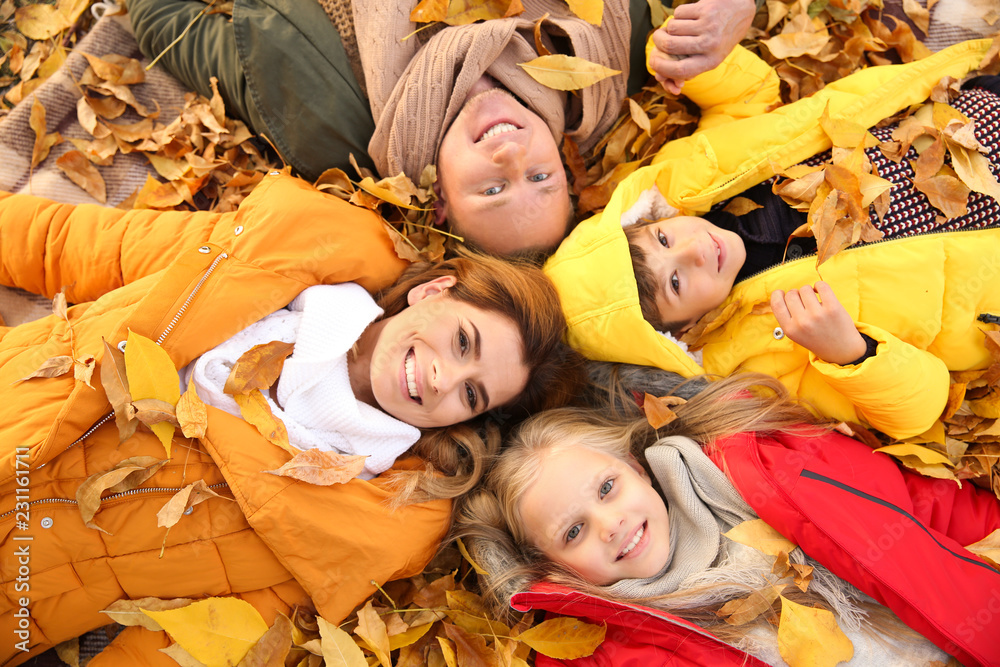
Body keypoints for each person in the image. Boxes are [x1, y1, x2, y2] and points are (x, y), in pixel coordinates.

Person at [0, 172, 583, 664]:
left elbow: (189, 642)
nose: (442, 379)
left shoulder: (356, 512)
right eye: (462, 342)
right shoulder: (264, 260)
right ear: (434, 292)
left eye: (473, 394)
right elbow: (77, 245)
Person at [543, 38, 999, 440]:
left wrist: (693, 59)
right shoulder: (759, 362)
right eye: (676, 283)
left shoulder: (699, 181)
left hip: (971, 122)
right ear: (681, 333)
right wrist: (851, 354)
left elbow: (749, 100)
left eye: (663, 239)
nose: (695, 249)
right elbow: (919, 410)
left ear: (648, 217)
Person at [124, 0, 759, 255]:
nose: (510, 155)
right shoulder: (605, 56)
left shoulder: (330, 126)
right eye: (540, 178)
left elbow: (159, 20)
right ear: (567, 165)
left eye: (492, 189)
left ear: (442, 203)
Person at [457, 372, 1000, 666]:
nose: (610, 524)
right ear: (548, 564)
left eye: (607, 489)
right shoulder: (590, 649)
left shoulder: (765, 463)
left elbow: (916, 504)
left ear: (634, 467)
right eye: (573, 532)